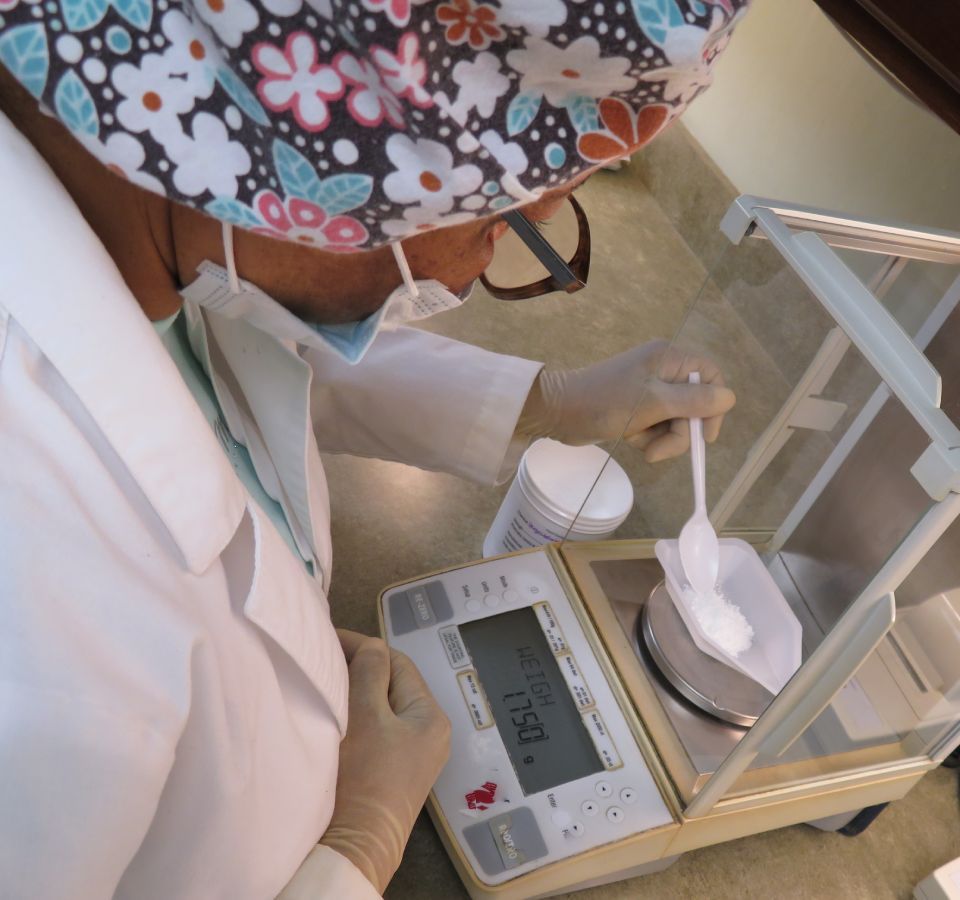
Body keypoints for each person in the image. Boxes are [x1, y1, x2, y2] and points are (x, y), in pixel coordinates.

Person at [0, 1, 744, 897]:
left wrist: (547, 402)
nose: (469, 275)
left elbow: (237, 356)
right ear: (300, 147)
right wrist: (355, 850)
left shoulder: (135, 199)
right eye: (490, 218)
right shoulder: (41, 642)